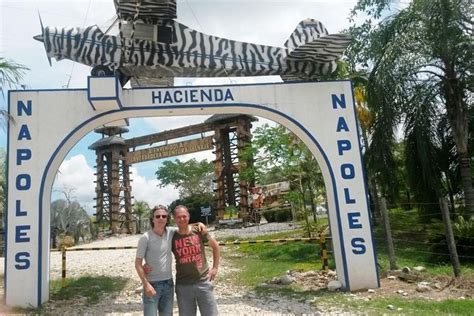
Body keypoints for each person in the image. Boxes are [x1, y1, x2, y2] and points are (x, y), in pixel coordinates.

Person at [135, 205, 207, 316]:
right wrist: (146, 284)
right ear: (152, 219)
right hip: (151, 284)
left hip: (168, 284)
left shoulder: (171, 232)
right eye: (157, 216)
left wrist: (199, 224)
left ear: (167, 219)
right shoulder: (145, 238)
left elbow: (184, 225)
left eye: (164, 216)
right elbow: (137, 263)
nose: (161, 218)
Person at [172, 205, 220, 316]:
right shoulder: (172, 236)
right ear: (174, 218)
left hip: (203, 282)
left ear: (188, 216)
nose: (182, 219)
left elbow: (215, 246)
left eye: (184, 216)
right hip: (183, 286)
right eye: (178, 217)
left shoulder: (198, 230)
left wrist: (215, 268)